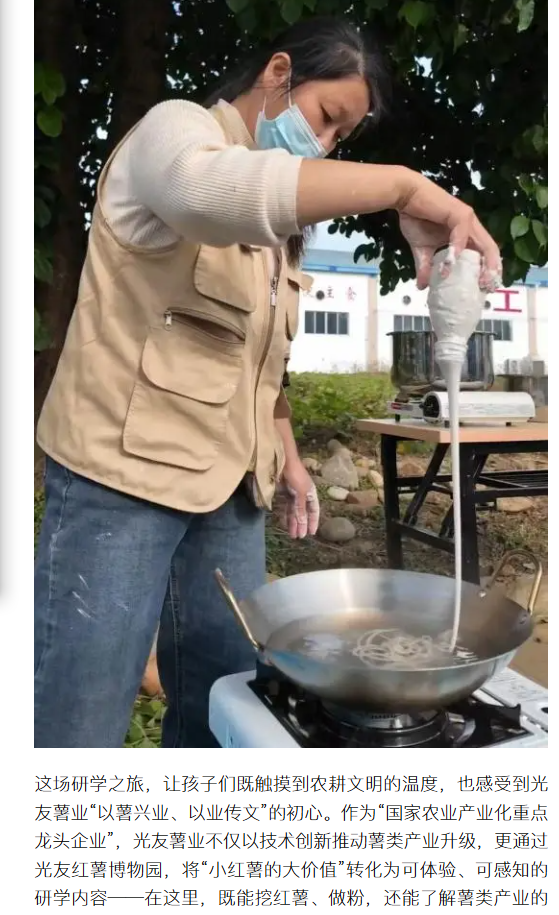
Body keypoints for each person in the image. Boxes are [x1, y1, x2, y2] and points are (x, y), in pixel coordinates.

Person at [34, 15, 502, 748]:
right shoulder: (177, 132)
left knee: (226, 704)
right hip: (124, 477)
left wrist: (287, 458)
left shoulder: (280, 231)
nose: (325, 143)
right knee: (80, 713)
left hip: (231, 492)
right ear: (279, 73)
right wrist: (405, 188)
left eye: (342, 137)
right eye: (326, 116)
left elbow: (256, 360)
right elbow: (202, 193)